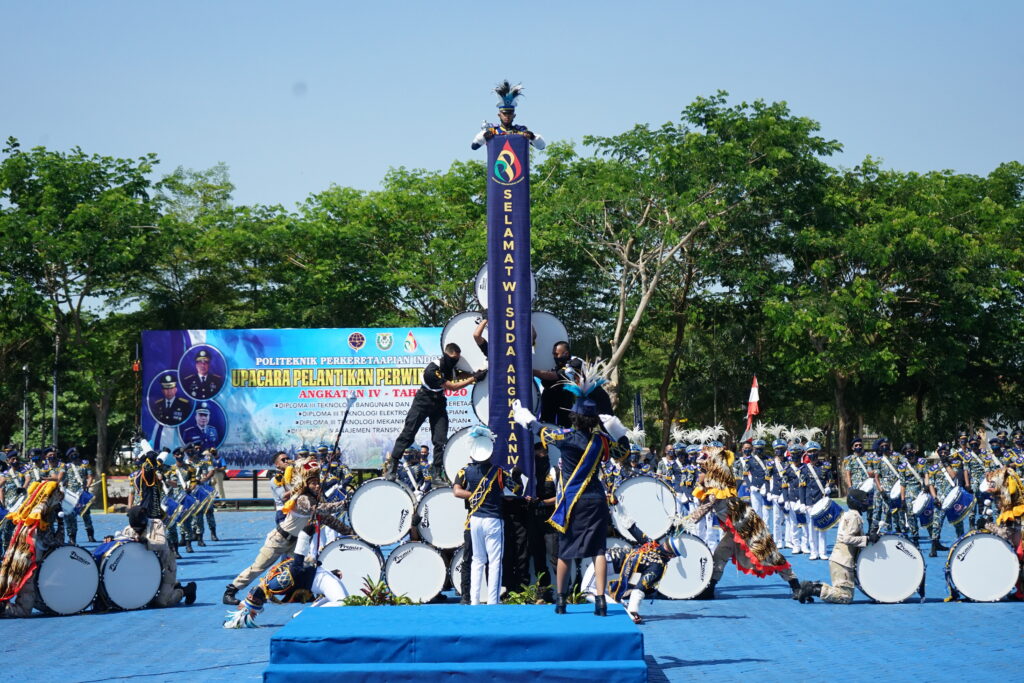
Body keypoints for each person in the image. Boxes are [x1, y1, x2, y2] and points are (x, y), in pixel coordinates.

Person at [512, 369, 630, 617]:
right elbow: (624, 453)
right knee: (598, 550)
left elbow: (538, 429)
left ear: (574, 418)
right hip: (596, 500)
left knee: (565, 550)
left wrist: (523, 416)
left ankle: (561, 600)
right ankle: (600, 600)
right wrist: (618, 431)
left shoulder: (565, 437)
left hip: (572, 502)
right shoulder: (602, 442)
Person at [223, 457, 349, 605]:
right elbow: (319, 510)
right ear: (305, 484)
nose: (316, 486)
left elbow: (329, 520)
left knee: (309, 565)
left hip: (296, 543)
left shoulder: (315, 499)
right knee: (258, 567)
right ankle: (231, 591)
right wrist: (345, 504)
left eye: (318, 482)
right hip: (279, 540)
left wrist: (350, 532)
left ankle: (306, 593)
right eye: (313, 483)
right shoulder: (302, 498)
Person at [683, 443, 802, 600]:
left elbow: (704, 509)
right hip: (735, 529)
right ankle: (710, 588)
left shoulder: (717, 485)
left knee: (769, 555)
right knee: (720, 554)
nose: (699, 474)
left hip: (747, 526)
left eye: (701, 471)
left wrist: (683, 524)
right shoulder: (714, 484)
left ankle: (796, 585)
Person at [385, 343, 485, 480]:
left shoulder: (450, 366)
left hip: (439, 402)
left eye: (457, 359)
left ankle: (437, 473)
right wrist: (474, 378)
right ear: (446, 355)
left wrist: (476, 373)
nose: (455, 361)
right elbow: (453, 387)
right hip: (423, 401)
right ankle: (393, 466)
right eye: (453, 358)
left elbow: (458, 374)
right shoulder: (433, 369)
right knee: (408, 434)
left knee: (440, 440)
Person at [224, 524, 350, 628]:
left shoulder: (273, 585)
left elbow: (297, 570)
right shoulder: (273, 584)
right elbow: (296, 569)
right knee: (343, 603)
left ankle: (304, 615)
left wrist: (304, 539)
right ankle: (306, 615)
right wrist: (303, 537)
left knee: (342, 602)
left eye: (254, 614)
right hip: (321, 580)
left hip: (320, 578)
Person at [452, 430, 505, 605]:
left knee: (477, 560)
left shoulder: (465, 470)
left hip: (474, 519)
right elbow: (517, 488)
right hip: (493, 518)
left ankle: (473, 600)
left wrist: (474, 495)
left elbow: (457, 491)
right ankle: (492, 601)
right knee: (495, 561)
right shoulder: (498, 472)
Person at [797, 488, 876, 604]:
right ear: (856, 502)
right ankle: (813, 589)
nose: (866, 503)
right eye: (863, 501)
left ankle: (813, 586)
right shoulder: (854, 517)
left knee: (843, 592)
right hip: (843, 562)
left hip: (839, 560)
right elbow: (847, 538)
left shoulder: (849, 514)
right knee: (845, 596)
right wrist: (868, 538)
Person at [0, 480, 63, 617]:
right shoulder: (41, 517)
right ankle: (8, 610)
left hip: (16, 555)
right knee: (26, 597)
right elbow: (51, 542)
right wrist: (61, 526)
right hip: (29, 559)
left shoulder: (27, 513)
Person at [116, 506, 196, 607]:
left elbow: (162, 543)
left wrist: (145, 541)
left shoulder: (157, 524)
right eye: (134, 528)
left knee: (161, 602)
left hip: (165, 566)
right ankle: (173, 585)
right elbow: (122, 544)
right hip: (145, 569)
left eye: (139, 528)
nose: (136, 530)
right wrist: (111, 540)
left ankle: (185, 590)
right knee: (144, 600)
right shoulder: (128, 529)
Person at [470, 80, 545, 151]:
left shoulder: (521, 131)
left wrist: (532, 137)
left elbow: (541, 147)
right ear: (499, 115)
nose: (507, 116)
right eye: (504, 113)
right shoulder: (493, 131)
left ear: (514, 115)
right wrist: (484, 137)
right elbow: (474, 146)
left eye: (510, 113)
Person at [525, 441, 558, 601]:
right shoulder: (529, 473)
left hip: (551, 519)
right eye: (537, 453)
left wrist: (543, 502)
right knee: (538, 557)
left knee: (555, 556)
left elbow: (561, 497)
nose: (540, 456)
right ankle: (543, 591)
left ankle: (562, 592)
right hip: (533, 518)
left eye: (543, 453)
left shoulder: (555, 472)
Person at [926, 444, 966, 557]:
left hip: (954, 498)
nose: (944, 454)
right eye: (942, 452)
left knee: (958, 522)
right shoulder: (933, 468)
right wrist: (934, 497)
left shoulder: (956, 463)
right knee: (937, 523)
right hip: (941, 498)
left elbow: (954, 476)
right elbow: (931, 484)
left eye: (946, 452)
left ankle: (961, 544)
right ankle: (934, 546)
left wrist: (947, 464)